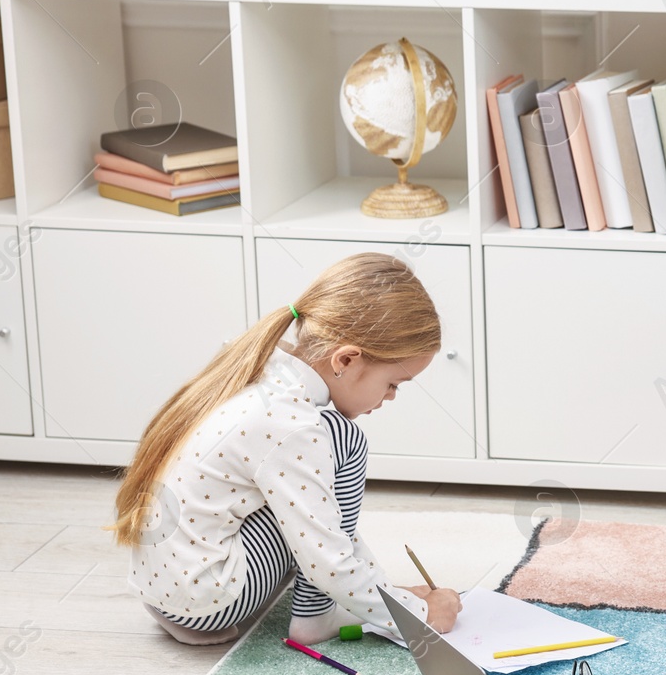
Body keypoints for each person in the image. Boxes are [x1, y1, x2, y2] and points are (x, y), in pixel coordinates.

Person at [111, 252, 463, 646]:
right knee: (343, 440)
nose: (392, 397)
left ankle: (346, 600)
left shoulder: (261, 367)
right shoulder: (291, 425)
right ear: (346, 359)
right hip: (210, 604)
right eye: (394, 384)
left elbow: (325, 524)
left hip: (166, 592)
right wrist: (415, 617)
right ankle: (316, 618)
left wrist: (386, 593)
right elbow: (326, 556)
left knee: (310, 501)